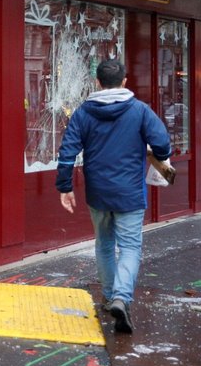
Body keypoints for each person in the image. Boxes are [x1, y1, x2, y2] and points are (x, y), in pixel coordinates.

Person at [55, 58, 171, 334]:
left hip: (98, 193)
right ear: (124, 82)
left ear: (97, 82)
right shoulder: (140, 111)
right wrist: (161, 159)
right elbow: (162, 143)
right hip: (130, 193)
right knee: (130, 247)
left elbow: (67, 151)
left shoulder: (83, 113)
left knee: (104, 244)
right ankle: (121, 297)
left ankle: (109, 297)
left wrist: (65, 187)